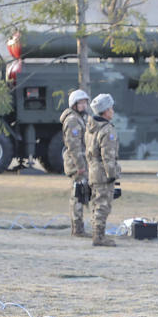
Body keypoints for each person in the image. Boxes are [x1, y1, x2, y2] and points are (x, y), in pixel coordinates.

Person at [85, 93, 120, 247]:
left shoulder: (91, 128)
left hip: (93, 171)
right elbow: (108, 156)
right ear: (105, 111)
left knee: (97, 204)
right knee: (103, 205)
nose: (112, 111)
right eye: (111, 108)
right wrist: (112, 175)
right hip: (103, 174)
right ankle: (99, 237)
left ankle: (97, 233)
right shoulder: (107, 130)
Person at [61, 89, 91, 237]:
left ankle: (79, 227)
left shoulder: (80, 118)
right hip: (76, 164)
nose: (84, 105)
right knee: (78, 195)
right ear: (74, 104)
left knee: (81, 193)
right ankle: (77, 228)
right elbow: (74, 145)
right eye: (81, 102)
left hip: (81, 162)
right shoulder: (72, 120)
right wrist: (80, 166)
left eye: (85, 102)